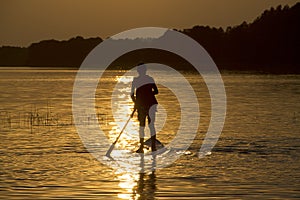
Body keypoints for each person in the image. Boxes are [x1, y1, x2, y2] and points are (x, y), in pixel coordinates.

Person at [131, 63, 158, 152]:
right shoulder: (149, 79)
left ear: (138, 71)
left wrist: (137, 102)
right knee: (151, 125)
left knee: (142, 126)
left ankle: (142, 147)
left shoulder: (136, 80)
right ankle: (153, 147)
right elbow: (156, 91)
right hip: (150, 105)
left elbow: (132, 95)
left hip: (145, 106)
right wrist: (148, 95)